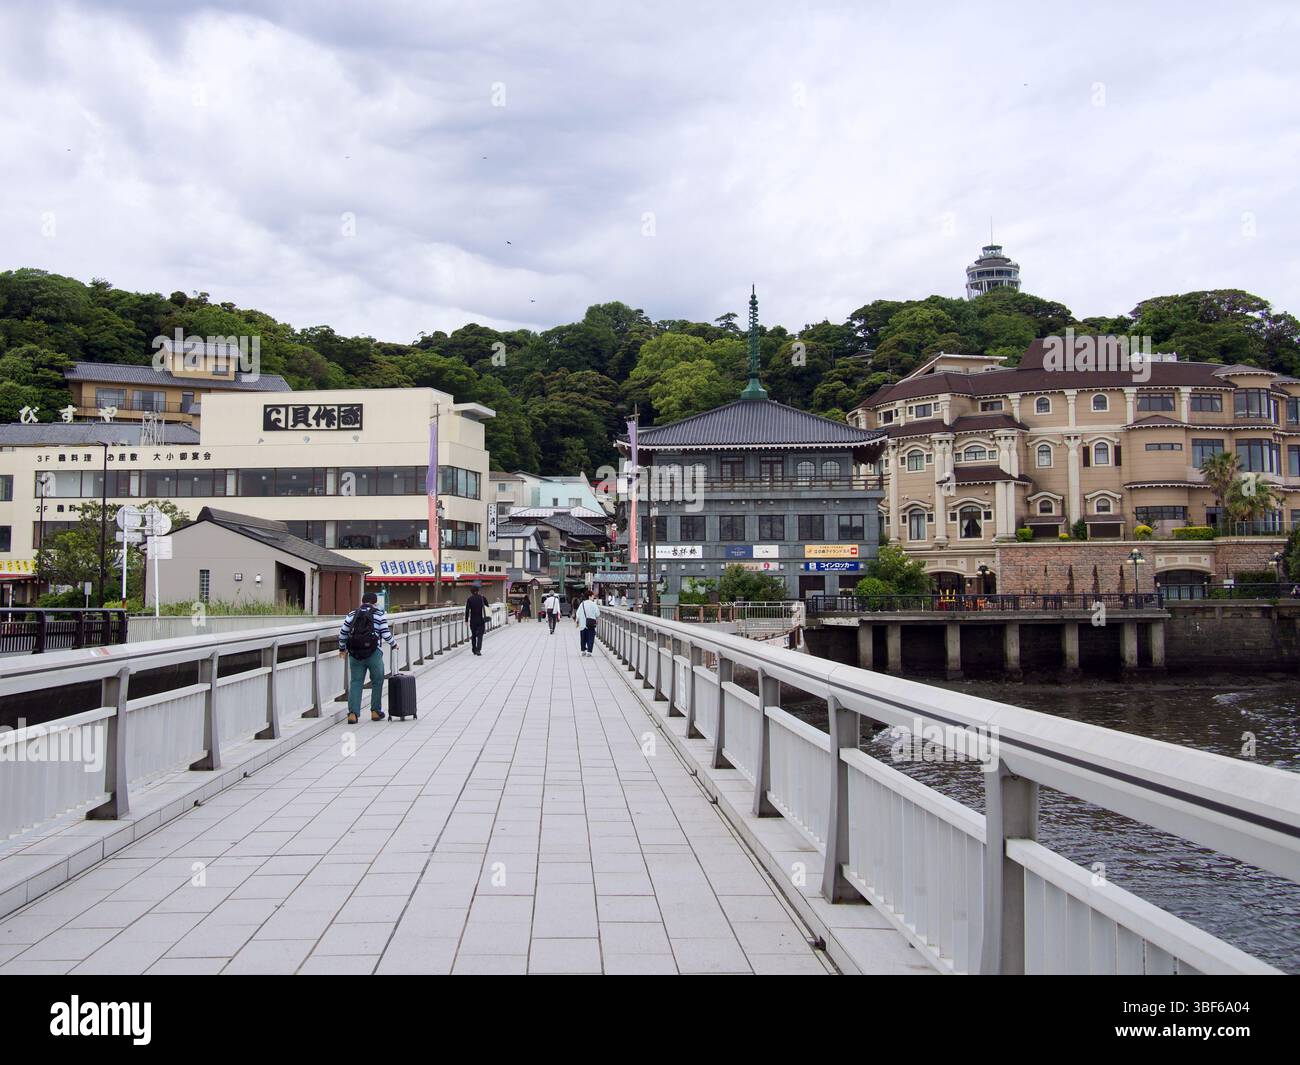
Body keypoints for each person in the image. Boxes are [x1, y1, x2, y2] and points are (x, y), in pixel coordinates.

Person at [338, 591, 398, 724]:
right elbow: (385, 633)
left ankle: (353, 713)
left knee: (356, 682)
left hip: (355, 653)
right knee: (377, 680)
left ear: (362, 601)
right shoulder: (379, 614)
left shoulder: (352, 614)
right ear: (375, 602)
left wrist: (342, 648)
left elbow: (343, 633)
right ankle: (375, 711)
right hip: (373, 653)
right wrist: (394, 644)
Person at [465, 582, 489, 655]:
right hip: (481, 619)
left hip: (473, 620)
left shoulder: (470, 599)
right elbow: (487, 606)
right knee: (480, 635)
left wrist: (466, 620)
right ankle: (478, 649)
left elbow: (467, 610)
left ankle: (474, 649)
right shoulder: (482, 598)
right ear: (478, 591)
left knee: (474, 635)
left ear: (471, 592)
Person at [575, 589, 601, 656]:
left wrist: (577, 621)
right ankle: (589, 651)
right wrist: (596, 619)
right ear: (589, 596)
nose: (593, 597)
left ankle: (583, 650)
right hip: (591, 623)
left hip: (583, 624)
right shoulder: (593, 604)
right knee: (590, 637)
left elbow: (578, 613)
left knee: (583, 637)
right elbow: (597, 614)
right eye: (592, 596)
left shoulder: (582, 604)